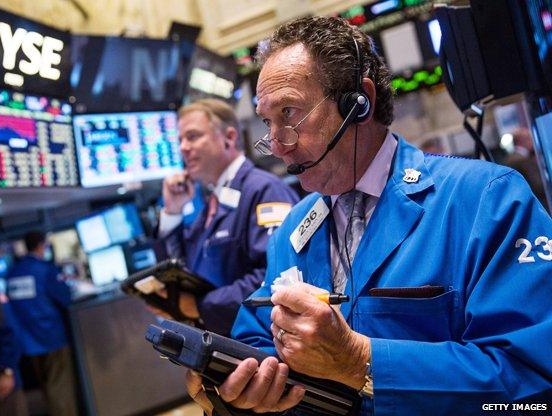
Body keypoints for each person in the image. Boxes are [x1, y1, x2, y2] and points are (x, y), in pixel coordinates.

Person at [185, 16, 552, 415]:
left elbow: (532, 380)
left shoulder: (485, 199)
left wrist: (360, 360)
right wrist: (244, 383)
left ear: (359, 103)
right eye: (267, 123)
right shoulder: (293, 228)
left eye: (289, 113)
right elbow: (256, 334)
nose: (277, 145)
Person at [157, 98, 299, 335]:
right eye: (180, 140)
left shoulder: (263, 190)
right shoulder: (214, 201)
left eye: (192, 136)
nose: (183, 147)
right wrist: (172, 211)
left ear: (229, 137)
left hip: (264, 346)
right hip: (226, 341)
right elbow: (182, 267)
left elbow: (276, 276)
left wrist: (202, 307)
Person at [6, 231, 78, 416]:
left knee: (46, 388)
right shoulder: (45, 269)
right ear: (41, 245)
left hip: (29, 341)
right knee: (59, 387)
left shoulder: (13, 272)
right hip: (52, 337)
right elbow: (65, 297)